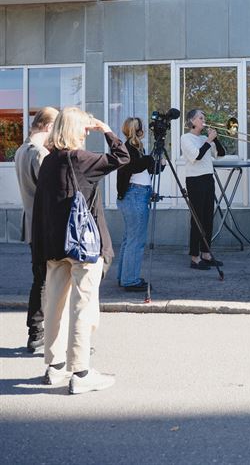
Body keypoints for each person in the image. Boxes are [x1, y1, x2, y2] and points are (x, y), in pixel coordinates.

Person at [31, 108, 129, 394]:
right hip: (82, 246)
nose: (87, 134)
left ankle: (55, 366)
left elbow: (41, 208)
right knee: (82, 306)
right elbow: (122, 158)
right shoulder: (80, 159)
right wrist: (107, 130)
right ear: (74, 130)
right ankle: (82, 372)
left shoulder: (48, 161)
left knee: (54, 308)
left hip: (53, 245)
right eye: (85, 130)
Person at [14, 106, 58, 353]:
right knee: (44, 280)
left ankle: (37, 331)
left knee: (40, 278)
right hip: (43, 225)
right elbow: (51, 190)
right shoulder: (39, 153)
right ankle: (38, 332)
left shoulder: (21, 150)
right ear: (49, 127)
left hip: (31, 222)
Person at [116, 117, 159, 291]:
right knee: (135, 241)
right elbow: (134, 166)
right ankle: (130, 280)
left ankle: (124, 276)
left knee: (129, 240)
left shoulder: (136, 148)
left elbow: (147, 169)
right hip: (134, 196)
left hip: (136, 195)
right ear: (138, 130)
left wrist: (156, 162)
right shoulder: (128, 149)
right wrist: (151, 159)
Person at [181, 109, 226, 270]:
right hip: (195, 180)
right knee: (197, 219)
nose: (203, 120)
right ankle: (195, 257)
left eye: (203, 117)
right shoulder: (186, 138)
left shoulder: (203, 138)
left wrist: (216, 139)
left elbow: (220, 154)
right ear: (192, 121)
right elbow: (197, 156)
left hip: (208, 178)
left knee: (208, 217)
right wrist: (208, 140)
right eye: (200, 117)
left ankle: (206, 254)